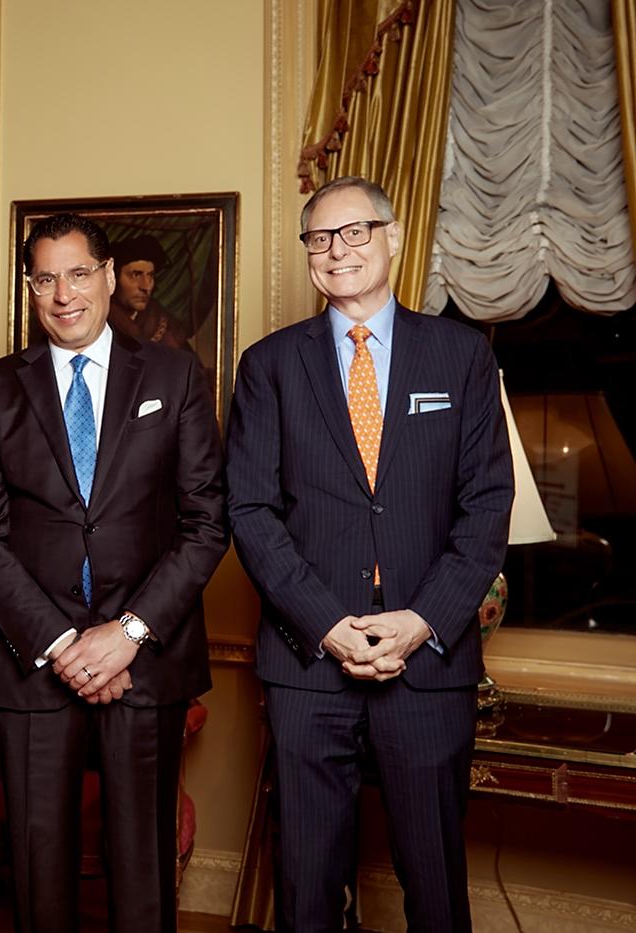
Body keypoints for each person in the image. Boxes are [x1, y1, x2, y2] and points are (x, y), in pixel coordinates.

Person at [226, 175, 514, 932]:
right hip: (309, 665)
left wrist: (422, 620)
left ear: (392, 236)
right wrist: (327, 622)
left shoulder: (460, 358)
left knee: (436, 888)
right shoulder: (269, 367)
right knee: (307, 891)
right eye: (320, 238)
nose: (337, 250)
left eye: (354, 232)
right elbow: (250, 511)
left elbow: (487, 508)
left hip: (428, 664)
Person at [0, 213, 227, 933]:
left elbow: (207, 522)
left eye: (78, 273)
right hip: (35, 661)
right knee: (39, 874)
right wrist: (62, 643)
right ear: (31, 288)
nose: (62, 293)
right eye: (45, 278)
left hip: (148, 658)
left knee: (142, 875)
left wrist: (128, 633)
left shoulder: (175, 375)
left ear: (108, 278)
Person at [106, 234, 193, 350]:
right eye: (136, 275)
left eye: (150, 275)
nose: (146, 286)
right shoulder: (98, 322)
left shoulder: (165, 325)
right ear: (113, 278)